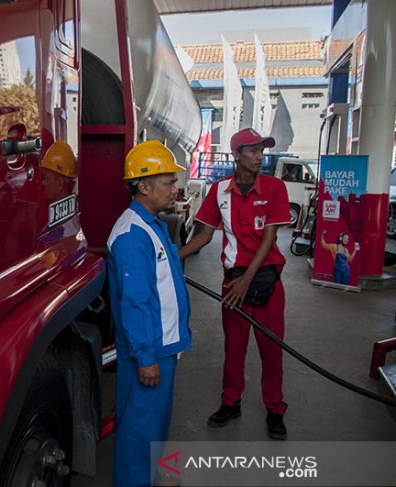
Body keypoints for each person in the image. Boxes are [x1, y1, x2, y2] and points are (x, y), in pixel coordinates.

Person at [179, 127, 291, 441]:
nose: (259, 156)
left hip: (266, 282)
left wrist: (247, 281)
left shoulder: (274, 188)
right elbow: (203, 235)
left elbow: (270, 238)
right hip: (233, 282)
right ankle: (231, 403)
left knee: (272, 350)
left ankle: (275, 409)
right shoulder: (218, 191)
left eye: (262, 150)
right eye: (253, 151)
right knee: (234, 349)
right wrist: (170, 256)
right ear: (237, 155)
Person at [107, 140, 192, 485]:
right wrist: (145, 358)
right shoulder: (132, 234)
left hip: (164, 348)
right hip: (150, 352)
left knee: (155, 425)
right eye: (168, 182)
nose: (175, 188)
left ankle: (154, 475)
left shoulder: (152, 224)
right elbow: (135, 302)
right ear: (143, 186)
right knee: (138, 435)